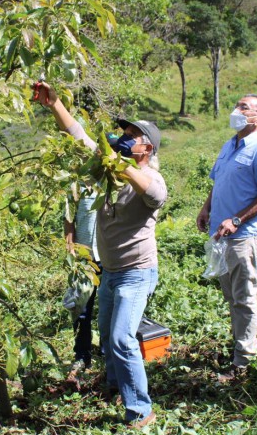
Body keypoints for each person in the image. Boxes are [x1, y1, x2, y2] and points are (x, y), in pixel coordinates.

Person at [34, 81, 166, 428]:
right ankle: (114, 385)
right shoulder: (110, 168)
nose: (122, 138)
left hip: (136, 273)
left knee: (122, 337)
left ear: (146, 148)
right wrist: (55, 104)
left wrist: (116, 164)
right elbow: (79, 135)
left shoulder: (151, 176)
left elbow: (154, 194)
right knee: (107, 335)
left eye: (131, 135)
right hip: (109, 271)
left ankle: (141, 409)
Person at [196, 94, 257, 382]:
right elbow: (218, 181)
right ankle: (239, 349)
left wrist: (237, 219)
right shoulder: (230, 145)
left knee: (244, 297)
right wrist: (206, 208)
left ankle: (244, 362)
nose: (237, 111)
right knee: (232, 296)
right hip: (221, 235)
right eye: (237, 105)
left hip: (245, 237)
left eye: (244, 107)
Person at [64, 191, 100, 373]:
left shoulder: (116, 178)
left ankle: (107, 351)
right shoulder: (77, 186)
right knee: (81, 309)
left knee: (112, 308)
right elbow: (69, 219)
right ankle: (82, 356)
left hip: (111, 256)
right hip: (84, 258)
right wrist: (71, 250)